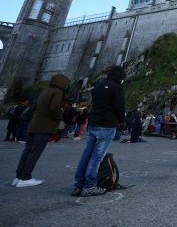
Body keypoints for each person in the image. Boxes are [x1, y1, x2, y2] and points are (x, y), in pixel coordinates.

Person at [72, 66, 126, 197]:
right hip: (107, 124)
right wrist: (122, 121)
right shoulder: (117, 88)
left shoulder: (98, 87)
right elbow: (119, 107)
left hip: (94, 123)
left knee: (87, 154)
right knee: (97, 157)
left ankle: (79, 184)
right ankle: (89, 185)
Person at [13, 74, 70, 187]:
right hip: (45, 125)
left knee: (28, 150)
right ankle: (26, 177)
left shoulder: (45, 91)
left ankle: (18, 176)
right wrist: (60, 117)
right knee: (35, 151)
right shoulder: (58, 92)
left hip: (35, 123)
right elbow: (54, 108)